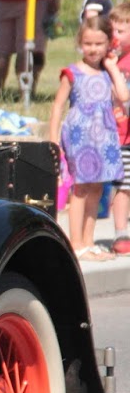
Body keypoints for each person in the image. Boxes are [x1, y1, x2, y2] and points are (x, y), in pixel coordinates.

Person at [49, 21, 127, 260]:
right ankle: (76, 243)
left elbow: (124, 96)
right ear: (80, 44)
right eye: (87, 44)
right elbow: (58, 106)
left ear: (109, 44)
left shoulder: (108, 73)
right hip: (80, 137)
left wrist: (113, 67)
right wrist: (53, 139)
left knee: (96, 188)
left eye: (98, 43)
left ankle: (88, 240)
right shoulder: (73, 73)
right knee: (80, 189)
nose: (93, 49)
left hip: (103, 137)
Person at [103, 2, 130, 253]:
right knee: (123, 185)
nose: (115, 38)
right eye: (113, 31)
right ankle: (121, 234)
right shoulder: (111, 62)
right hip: (120, 135)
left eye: (121, 32)